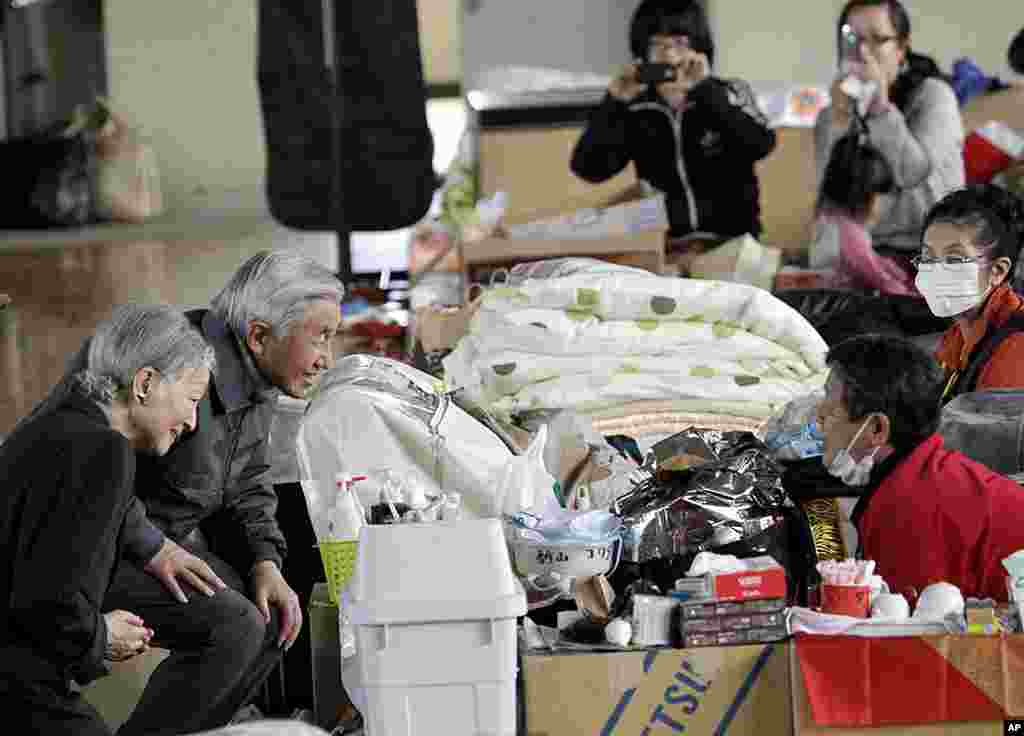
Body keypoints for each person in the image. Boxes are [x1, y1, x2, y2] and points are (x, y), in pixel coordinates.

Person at [103, 251, 345, 736]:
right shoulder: (171, 365)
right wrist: (156, 548)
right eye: (320, 337)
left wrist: (265, 563)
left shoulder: (258, 380)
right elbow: (93, 478)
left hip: (155, 544)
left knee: (273, 614)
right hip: (94, 546)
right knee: (234, 628)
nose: (327, 358)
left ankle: (209, 727)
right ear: (259, 336)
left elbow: (250, 482)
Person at [0, 305, 214, 735]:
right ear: (146, 383)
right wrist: (101, 634)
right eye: (192, 400)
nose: (192, 422)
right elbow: (49, 599)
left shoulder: (55, 430)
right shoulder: (102, 450)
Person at [816, 334, 1024, 603]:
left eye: (831, 410)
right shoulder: (924, 473)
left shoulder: (911, 508)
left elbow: (916, 629)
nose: (819, 417)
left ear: (877, 428)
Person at [570, 0, 776, 246]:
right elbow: (590, 169)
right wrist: (614, 101)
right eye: (657, 45)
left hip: (733, 242)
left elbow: (761, 144)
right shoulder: (636, 108)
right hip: (668, 247)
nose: (668, 55)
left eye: (679, 44)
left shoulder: (728, 92)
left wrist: (705, 90)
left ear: (698, 48)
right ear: (642, 53)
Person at [815, 0, 964, 256]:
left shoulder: (934, 96)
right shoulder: (832, 113)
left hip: (928, 254)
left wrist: (880, 109)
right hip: (862, 253)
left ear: (901, 49)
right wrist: (839, 122)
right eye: (852, 38)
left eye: (877, 39)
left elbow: (915, 180)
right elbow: (832, 204)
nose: (862, 52)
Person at [917, 184, 1024, 402]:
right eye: (928, 258)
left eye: (954, 259)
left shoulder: (1015, 350)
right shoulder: (958, 334)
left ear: (998, 271)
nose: (936, 271)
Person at [811, 129, 918, 295]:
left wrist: (888, 267)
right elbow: (882, 281)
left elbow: (869, 263)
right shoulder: (850, 234)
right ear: (863, 195)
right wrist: (913, 295)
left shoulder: (830, 216)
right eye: (881, 194)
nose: (886, 205)